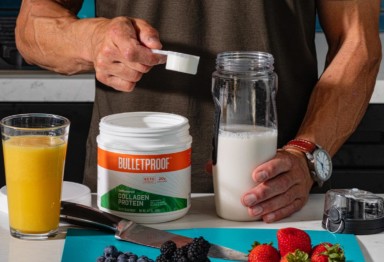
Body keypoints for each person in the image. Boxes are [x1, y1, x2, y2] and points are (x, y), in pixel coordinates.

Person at [15, 0, 381, 222]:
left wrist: (307, 152)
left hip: (279, 193)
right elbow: (32, 26)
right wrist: (92, 38)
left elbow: (358, 42)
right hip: (128, 193)